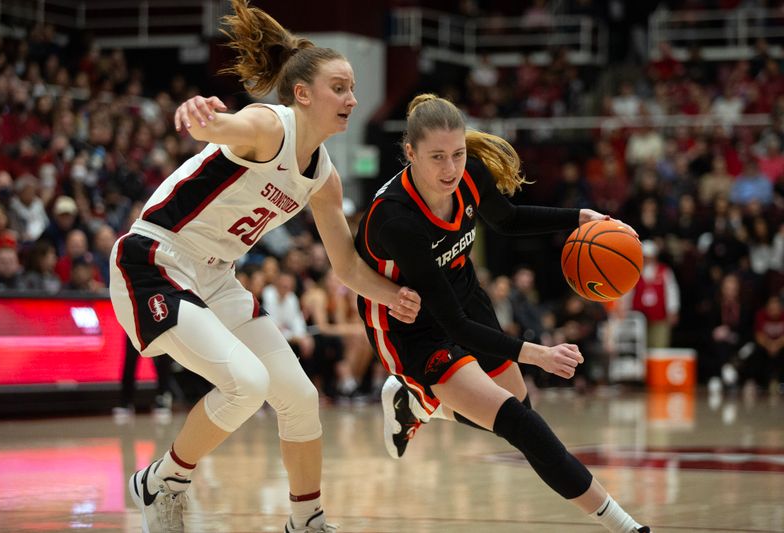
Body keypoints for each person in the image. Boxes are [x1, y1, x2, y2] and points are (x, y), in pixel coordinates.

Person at [108, 3, 420, 532]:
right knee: (246, 384)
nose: (352, 98)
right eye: (340, 88)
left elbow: (344, 264)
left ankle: (307, 520)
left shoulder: (323, 176)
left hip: (214, 277)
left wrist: (392, 295)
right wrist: (201, 112)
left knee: (299, 398)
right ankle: (163, 480)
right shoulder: (268, 125)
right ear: (302, 94)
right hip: (155, 260)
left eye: (352, 88)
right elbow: (218, 127)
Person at [354, 94, 650, 533]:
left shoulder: (469, 175)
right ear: (410, 153)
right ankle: (627, 526)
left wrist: (580, 217)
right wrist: (537, 354)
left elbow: (506, 218)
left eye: (457, 154)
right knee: (522, 424)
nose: (450, 169)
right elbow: (452, 325)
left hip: (465, 295)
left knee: (520, 409)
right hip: (411, 325)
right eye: (437, 157)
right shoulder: (397, 219)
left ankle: (417, 404)